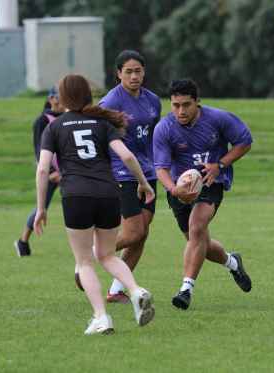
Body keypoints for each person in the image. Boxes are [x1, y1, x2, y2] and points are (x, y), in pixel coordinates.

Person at [34, 74, 155, 334]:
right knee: (107, 255)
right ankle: (135, 290)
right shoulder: (102, 123)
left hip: (76, 196)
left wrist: (41, 208)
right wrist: (143, 183)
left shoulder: (54, 127)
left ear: (63, 97)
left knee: (85, 261)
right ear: (88, 95)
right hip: (108, 193)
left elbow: (43, 170)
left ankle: (101, 317)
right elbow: (127, 155)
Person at [153, 78, 253, 311]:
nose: (180, 111)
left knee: (197, 227)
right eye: (175, 105)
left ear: (197, 102)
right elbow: (161, 168)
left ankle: (186, 289)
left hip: (211, 182)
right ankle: (232, 262)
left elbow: (244, 141)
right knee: (199, 244)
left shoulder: (218, 119)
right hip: (179, 188)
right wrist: (173, 189)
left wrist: (221, 163)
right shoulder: (164, 128)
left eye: (186, 105)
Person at [96, 50, 162, 303]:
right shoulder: (110, 103)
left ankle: (115, 290)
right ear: (118, 74)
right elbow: (98, 139)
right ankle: (88, 258)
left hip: (148, 171)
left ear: (144, 72)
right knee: (133, 233)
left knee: (142, 233)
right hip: (121, 172)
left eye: (138, 71)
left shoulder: (153, 100)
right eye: (128, 72)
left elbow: (154, 135)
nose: (134, 76)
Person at [14, 87, 64, 256]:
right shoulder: (42, 121)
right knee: (41, 208)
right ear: (51, 98)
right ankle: (23, 242)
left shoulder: (68, 118)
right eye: (58, 96)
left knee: (78, 205)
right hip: (50, 173)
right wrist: (50, 171)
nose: (61, 100)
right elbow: (39, 148)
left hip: (68, 172)